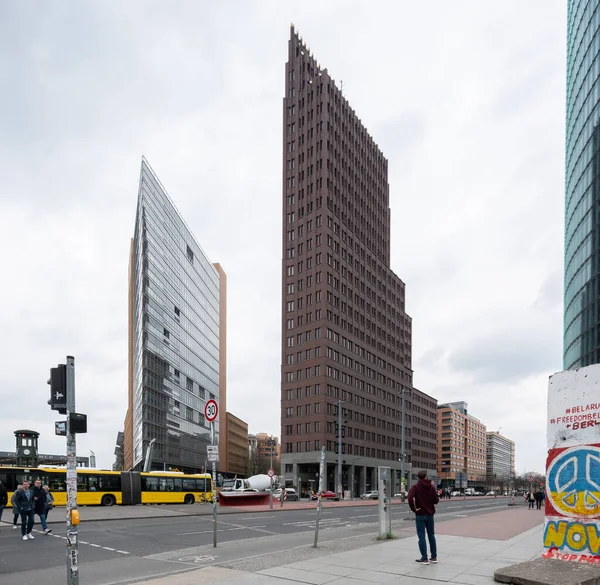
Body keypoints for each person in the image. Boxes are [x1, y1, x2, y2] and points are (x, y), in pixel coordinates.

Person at [408, 469, 439, 565]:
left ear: (418, 477)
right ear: (426, 477)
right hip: (430, 515)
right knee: (431, 536)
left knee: (421, 536)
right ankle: (434, 557)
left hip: (420, 514)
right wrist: (433, 489)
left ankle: (424, 558)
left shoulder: (415, 487)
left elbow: (409, 498)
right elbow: (436, 501)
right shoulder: (431, 487)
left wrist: (414, 509)